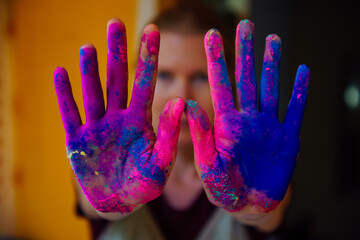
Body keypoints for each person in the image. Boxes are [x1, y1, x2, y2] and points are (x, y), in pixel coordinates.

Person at [54, 3, 309, 240]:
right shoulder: (103, 162)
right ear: (139, 78)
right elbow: (94, 206)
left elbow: (267, 217)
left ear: (227, 83)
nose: (182, 95)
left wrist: (250, 207)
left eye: (200, 76)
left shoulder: (254, 165)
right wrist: (113, 200)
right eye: (164, 75)